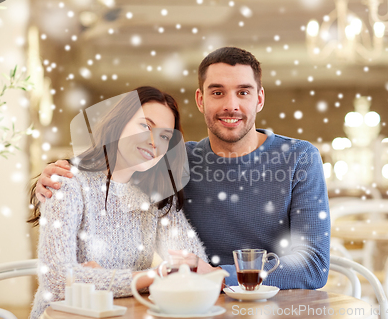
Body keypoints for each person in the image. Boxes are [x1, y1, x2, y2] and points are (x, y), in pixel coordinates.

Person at [35, 47, 331, 290]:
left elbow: (313, 265)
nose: (231, 105)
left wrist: (215, 274)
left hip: (268, 303)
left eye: (243, 92)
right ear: (200, 100)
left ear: (260, 98)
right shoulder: (171, 164)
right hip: (193, 301)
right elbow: (61, 273)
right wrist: (48, 180)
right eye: (217, 93)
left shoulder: (300, 158)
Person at [27, 86, 208, 319]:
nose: (154, 142)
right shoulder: (68, 183)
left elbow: (192, 268)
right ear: (118, 124)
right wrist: (153, 276)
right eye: (145, 126)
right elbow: (58, 280)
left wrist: (99, 278)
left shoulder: (158, 196)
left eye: (164, 136)